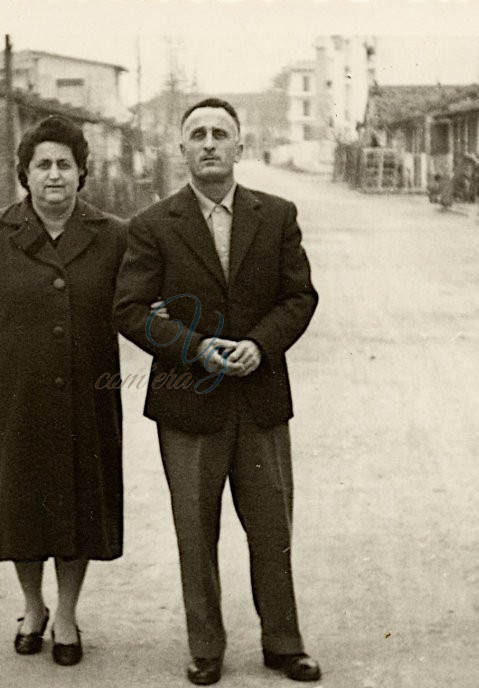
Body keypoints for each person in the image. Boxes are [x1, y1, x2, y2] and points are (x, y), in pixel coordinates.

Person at [114, 98, 321, 685]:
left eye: (220, 134)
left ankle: (284, 643)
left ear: (239, 146)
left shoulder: (277, 215)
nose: (209, 143)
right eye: (197, 135)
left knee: (272, 527)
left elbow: (299, 297)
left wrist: (260, 345)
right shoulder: (153, 225)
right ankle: (205, 647)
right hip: (189, 400)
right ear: (181, 150)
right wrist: (194, 348)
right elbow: (129, 309)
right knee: (195, 528)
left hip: (260, 399)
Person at [0, 115, 127, 667]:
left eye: (64, 165)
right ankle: (32, 605)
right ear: (24, 173)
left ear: (81, 173)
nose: (53, 175)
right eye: (42, 164)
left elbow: (140, 308)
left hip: (87, 398)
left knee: (79, 506)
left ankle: (66, 613)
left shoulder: (112, 235)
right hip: (15, 398)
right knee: (21, 506)